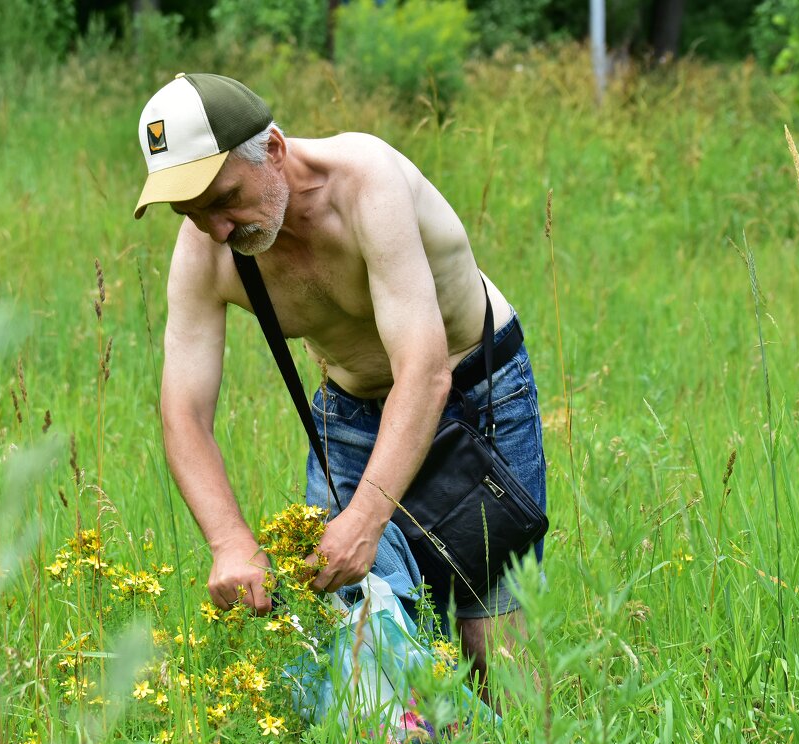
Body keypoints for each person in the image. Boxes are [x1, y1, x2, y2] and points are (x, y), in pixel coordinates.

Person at [133, 73, 546, 695]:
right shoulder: (205, 249)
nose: (215, 229)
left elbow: (424, 370)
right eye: (189, 213)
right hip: (350, 418)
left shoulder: (365, 184)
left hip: (475, 394)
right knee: (366, 647)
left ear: (271, 149)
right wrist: (230, 543)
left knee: (490, 647)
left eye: (222, 199)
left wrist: (366, 518)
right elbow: (184, 414)